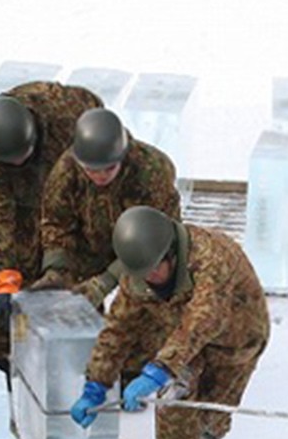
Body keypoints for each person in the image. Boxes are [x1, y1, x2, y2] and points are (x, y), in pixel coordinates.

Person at [69, 207, 269, 439]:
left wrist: (159, 368)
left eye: (154, 269)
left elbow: (203, 318)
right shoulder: (139, 272)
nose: (148, 277)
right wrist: (95, 384)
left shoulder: (212, 259)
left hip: (236, 340)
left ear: (171, 254)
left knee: (210, 418)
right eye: (142, 273)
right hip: (181, 337)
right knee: (174, 398)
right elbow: (118, 330)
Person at [0, 81, 105, 371]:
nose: (18, 161)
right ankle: (4, 355)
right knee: (16, 265)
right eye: (12, 160)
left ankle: (84, 355)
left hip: (69, 186)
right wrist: (6, 279)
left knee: (73, 264)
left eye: (22, 156)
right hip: (20, 198)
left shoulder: (68, 115)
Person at [35, 109, 181, 306]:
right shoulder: (65, 172)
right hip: (87, 248)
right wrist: (56, 271)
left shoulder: (152, 171)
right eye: (91, 170)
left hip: (144, 252)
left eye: (110, 168)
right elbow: (57, 224)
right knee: (78, 312)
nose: (101, 176)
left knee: (142, 314)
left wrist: (106, 281)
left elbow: (159, 237)